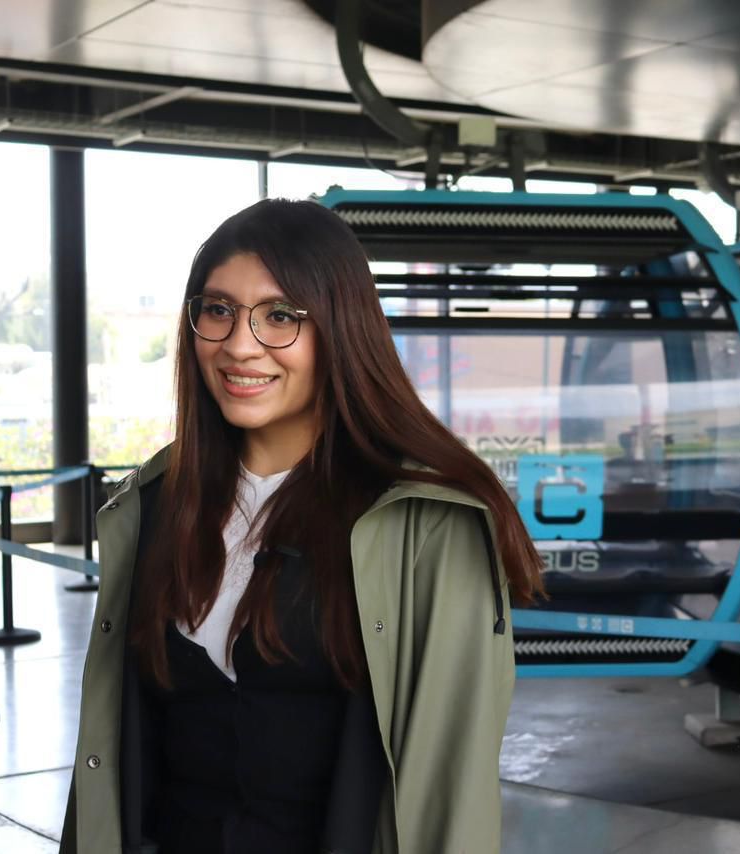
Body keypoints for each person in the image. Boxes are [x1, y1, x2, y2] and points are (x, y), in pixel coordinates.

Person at [60, 199, 543, 854]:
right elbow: (114, 757)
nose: (239, 343)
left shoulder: (424, 524)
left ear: (339, 330)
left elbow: (448, 790)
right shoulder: (150, 505)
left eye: (280, 316)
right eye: (217, 309)